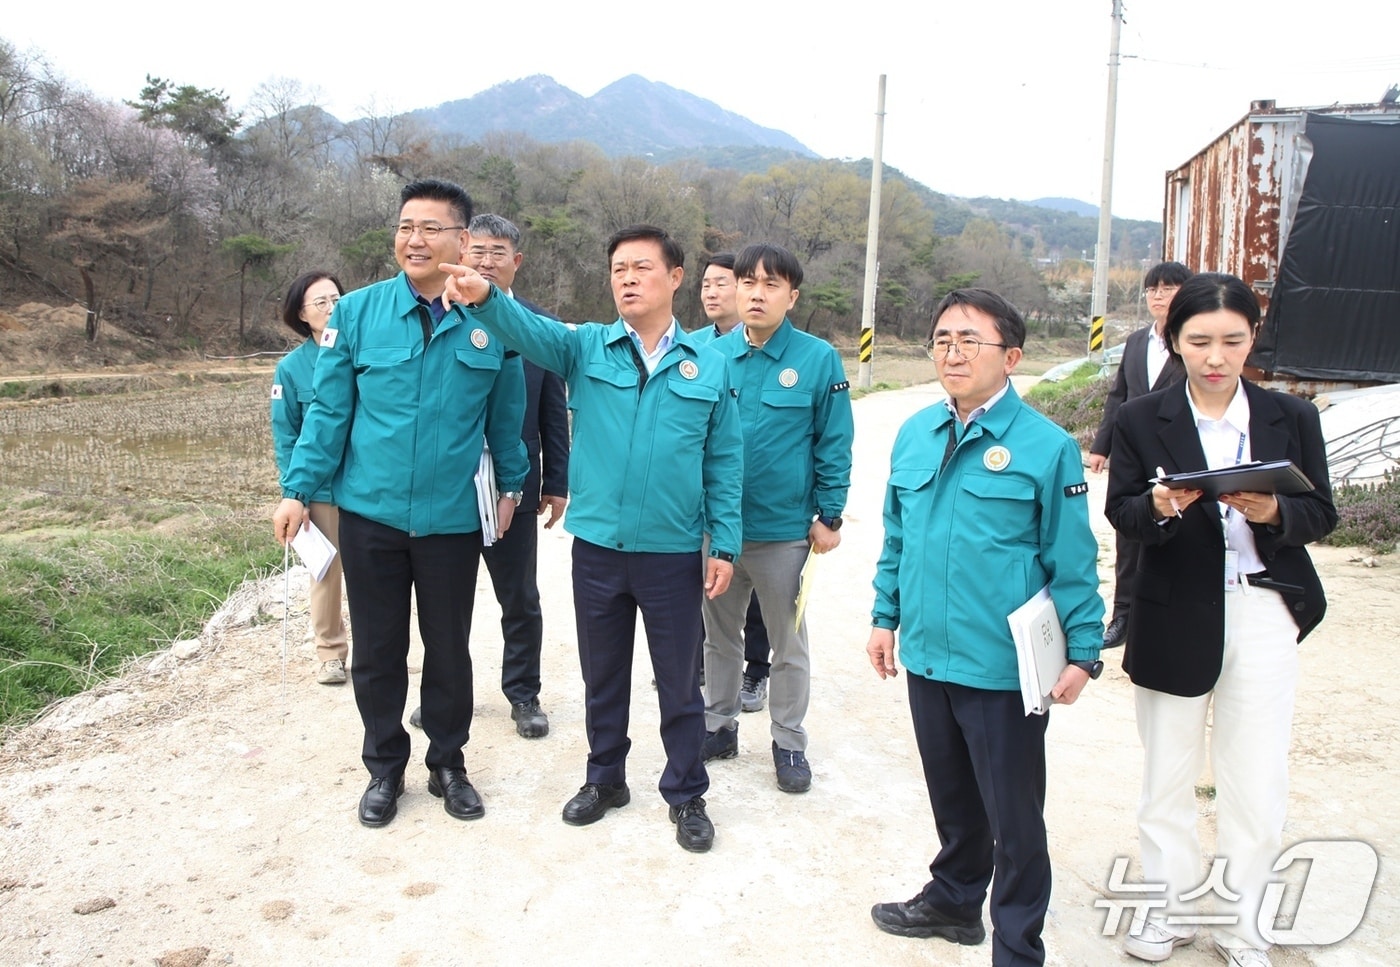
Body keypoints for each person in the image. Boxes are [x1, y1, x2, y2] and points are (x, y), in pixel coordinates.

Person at [441, 224, 744, 854]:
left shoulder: (710, 364)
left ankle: (686, 792)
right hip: (600, 550)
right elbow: (527, 331)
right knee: (602, 676)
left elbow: (724, 460)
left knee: (679, 683)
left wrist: (724, 544)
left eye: (641, 267)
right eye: (617, 270)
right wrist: (485, 297)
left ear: (676, 278)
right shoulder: (585, 348)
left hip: (672, 551)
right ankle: (605, 779)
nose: (627, 279)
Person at [272, 179, 528, 830]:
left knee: (448, 648)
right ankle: (385, 766)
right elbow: (328, 413)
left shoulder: (491, 317)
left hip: (449, 518)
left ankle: (449, 762)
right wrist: (299, 490)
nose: (414, 238)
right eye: (405, 225)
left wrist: (512, 486)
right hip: (370, 514)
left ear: (462, 241)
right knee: (378, 649)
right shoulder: (356, 314)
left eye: (431, 227)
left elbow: (507, 417)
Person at [865, 288, 1104, 966]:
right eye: (942, 338)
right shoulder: (916, 432)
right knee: (953, 797)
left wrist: (1084, 651)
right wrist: (886, 615)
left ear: (1013, 356)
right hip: (930, 658)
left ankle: (1018, 945)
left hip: (1003, 667)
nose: (952, 352)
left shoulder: (1046, 447)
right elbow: (895, 537)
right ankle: (953, 901)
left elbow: (1074, 561)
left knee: (1015, 819)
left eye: (971, 340)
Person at [1105, 273, 1336, 967]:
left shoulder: (1290, 417)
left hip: (1264, 607)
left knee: (1255, 777)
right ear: (1174, 340)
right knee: (1167, 774)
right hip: (1173, 608)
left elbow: (1320, 511)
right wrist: (1168, 506)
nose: (1215, 356)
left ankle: (1245, 926)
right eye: (1199, 341)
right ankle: (1166, 913)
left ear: (1251, 339)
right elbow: (1123, 513)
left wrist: (1274, 513)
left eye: (1232, 340)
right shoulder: (1143, 418)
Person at [406, 213, 569, 739]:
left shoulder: (539, 327)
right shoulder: (433, 317)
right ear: (458, 252)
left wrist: (556, 483)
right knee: (442, 601)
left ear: (516, 262)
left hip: (511, 486)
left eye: (498, 252)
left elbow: (551, 410)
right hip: (446, 487)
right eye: (476, 250)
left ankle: (523, 693)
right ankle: (442, 697)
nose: (485, 261)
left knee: (518, 596)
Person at [700, 243, 853, 793]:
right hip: (717, 530)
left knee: (788, 643)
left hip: (784, 533)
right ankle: (718, 726)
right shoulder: (705, 353)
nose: (756, 293)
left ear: (792, 296)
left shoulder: (817, 359)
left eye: (770, 284)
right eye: (747, 282)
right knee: (718, 637)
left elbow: (834, 440)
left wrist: (829, 514)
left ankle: (788, 742)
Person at [1089, 261, 1192, 650]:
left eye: (1167, 288)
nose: (1158, 296)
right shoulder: (1136, 342)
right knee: (1127, 538)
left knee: (1178, 532)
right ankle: (1123, 617)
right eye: (1152, 290)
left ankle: (1167, 614)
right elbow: (1119, 397)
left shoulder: (1191, 343)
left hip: (1176, 453)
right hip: (1133, 455)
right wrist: (1102, 446)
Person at [693, 252, 771, 712]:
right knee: (708, 590)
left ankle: (756, 671)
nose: (712, 292)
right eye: (706, 284)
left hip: (762, 504)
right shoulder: (696, 349)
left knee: (759, 593)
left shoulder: (775, 351)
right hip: (706, 501)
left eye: (722, 283)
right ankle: (703, 671)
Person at [270, 271, 349, 686]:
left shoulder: (359, 352)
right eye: (321, 302)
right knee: (325, 572)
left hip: (363, 482)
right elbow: (287, 436)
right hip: (319, 489)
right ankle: (330, 653)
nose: (332, 308)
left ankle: (384, 649)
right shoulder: (291, 369)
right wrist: (293, 493)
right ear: (302, 314)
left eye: (337, 299)